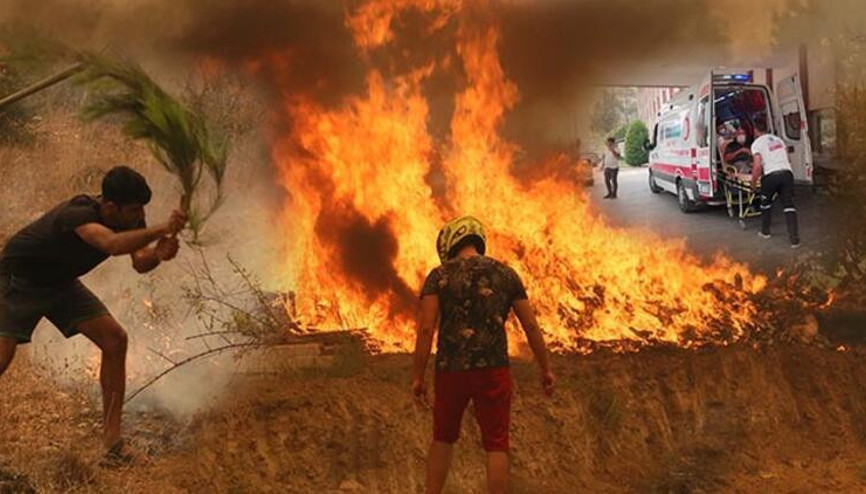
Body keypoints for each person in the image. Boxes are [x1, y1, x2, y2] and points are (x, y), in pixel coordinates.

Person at [0, 166, 187, 464]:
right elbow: (110, 245)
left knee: (115, 340)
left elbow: (140, 262)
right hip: (20, 280)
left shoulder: (130, 217)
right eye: (135, 209)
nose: (139, 216)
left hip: (61, 283)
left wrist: (158, 255)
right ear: (110, 207)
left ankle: (113, 447)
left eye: (142, 210)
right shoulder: (78, 213)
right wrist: (163, 228)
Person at [413, 216, 555, 494]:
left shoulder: (439, 276)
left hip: (450, 371)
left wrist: (418, 376)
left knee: (442, 438)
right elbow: (530, 325)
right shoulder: (506, 275)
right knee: (496, 444)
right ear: (477, 240)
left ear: (451, 244)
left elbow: (427, 328)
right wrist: (545, 368)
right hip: (493, 370)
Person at [750, 121, 800, 247]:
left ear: (755, 130)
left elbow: (757, 166)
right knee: (788, 206)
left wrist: (753, 184)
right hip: (787, 174)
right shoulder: (779, 140)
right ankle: (794, 240)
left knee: (765, 205)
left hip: (771, 176)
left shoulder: (757, 144)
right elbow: (788, 159)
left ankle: (765, 232)